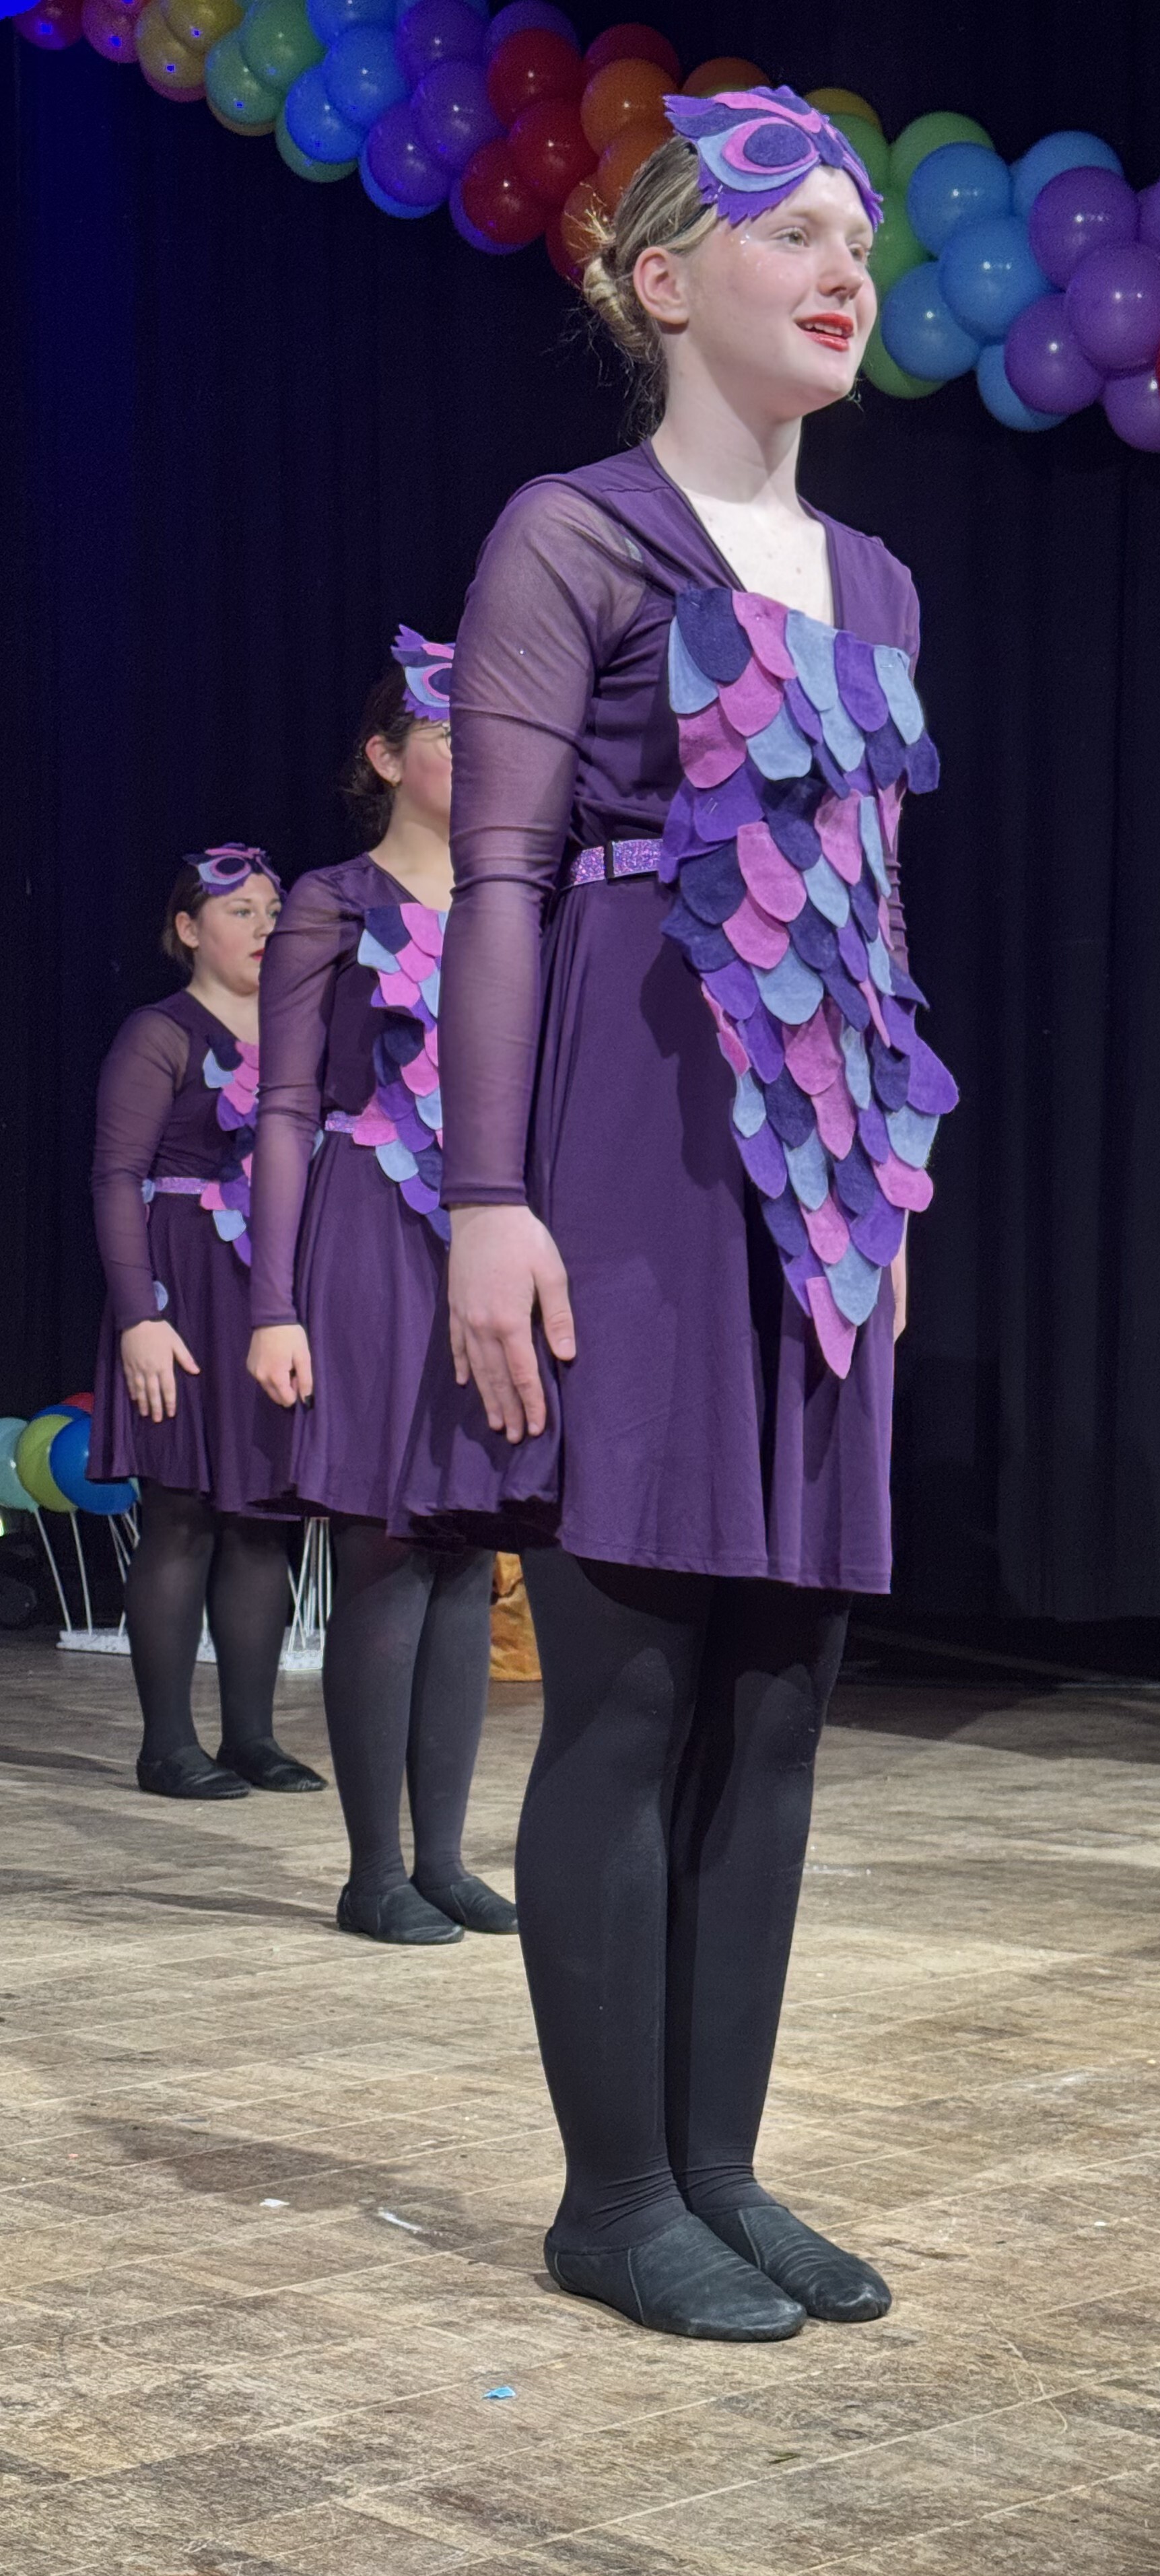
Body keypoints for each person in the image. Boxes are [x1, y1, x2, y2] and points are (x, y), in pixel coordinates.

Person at [399, 90, 958, 2339]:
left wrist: (885, 1167)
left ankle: (719, 2167)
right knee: (627, 1685)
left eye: (857, 238)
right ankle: (609, 2193)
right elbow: (502, 883)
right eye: (789, 232)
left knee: (781, 1691)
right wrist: (487, 1194)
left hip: (817, 1182)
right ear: (658, 281)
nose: (841, 270)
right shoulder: (575, 537)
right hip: (625, 1141)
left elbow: (868, 904)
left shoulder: (880, 583)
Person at [246, 633, 512, 1946]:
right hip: (367, 1224)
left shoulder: (517, 902)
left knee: (464, 1548)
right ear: (387, 757)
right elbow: (285, 1106)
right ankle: (373, 1871)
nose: (478, 752)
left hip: (484, 1236)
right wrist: (273, 1302)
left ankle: (445, 1858)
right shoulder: (331, 903)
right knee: (387, 1545)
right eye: (451, 731)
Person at [90, 847, 322, 1801]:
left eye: (274, 910)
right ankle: (167, 1745)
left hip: (269, 1296)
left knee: (262, 1518)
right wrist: (139, 1317)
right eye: (240, 911)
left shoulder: (303, 1032)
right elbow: (115, 1178)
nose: (265, 927)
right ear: (189, 929)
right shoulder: (162, 1033)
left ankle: (253, 1738)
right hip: (182, 1293)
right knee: (182, 1514)